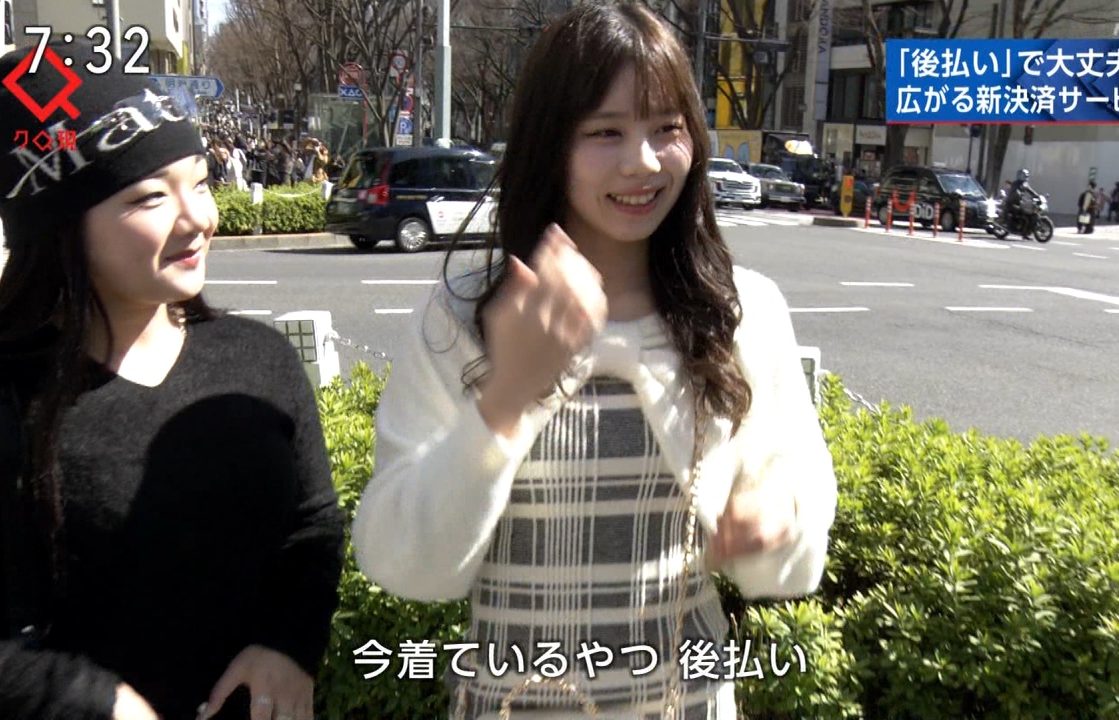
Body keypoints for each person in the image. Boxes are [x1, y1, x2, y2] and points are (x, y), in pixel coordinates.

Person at [350, 3, 838, 719]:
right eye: (606, 132)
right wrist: (506, 398)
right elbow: (402, 563)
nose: (643, 162)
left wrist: (775, 524)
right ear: (551, 144)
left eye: (666, 128)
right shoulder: (465, 314)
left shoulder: (740, 313)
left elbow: (796, 558)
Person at [0, 41, 345, 720]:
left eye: (201, 182)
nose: (200, 219)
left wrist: (289, 642)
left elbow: (313, 526)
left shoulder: (259, 359)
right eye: (151, 196)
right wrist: (77, 697)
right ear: (59, 224)